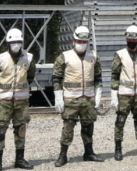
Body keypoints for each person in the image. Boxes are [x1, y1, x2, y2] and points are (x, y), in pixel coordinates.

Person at [51, 26, 103, 167]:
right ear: (74, 41)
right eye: (79, 41)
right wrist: (58, 97)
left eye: (84, 41)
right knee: (68, 127)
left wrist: (98, 95)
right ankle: (63, 155)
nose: (82, 44)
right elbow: (56, 78)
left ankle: (89, 153)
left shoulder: (94, 56)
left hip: (88, 99)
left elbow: (98, 77)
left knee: (88, 127)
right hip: (70, 99)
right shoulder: (64, 57)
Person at [0, 28, 36, 170]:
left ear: (22, 42)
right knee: (0, 131)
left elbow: (31, 76)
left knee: (21, 130)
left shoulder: (29, 58)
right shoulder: (0, 59)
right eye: (13, 42)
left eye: (18, 42)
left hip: (21, 102)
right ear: (8, 43)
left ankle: (20, 160)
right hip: (4, 101)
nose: (16, 44)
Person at [110, 25, 137, 161]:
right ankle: (118, 149)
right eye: (129, 39)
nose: (132, 41)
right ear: (126, 39)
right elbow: (115, 75)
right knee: (120, 121)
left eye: (134, 39)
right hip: (124, 95)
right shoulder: (120, 54)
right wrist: (113, 95)